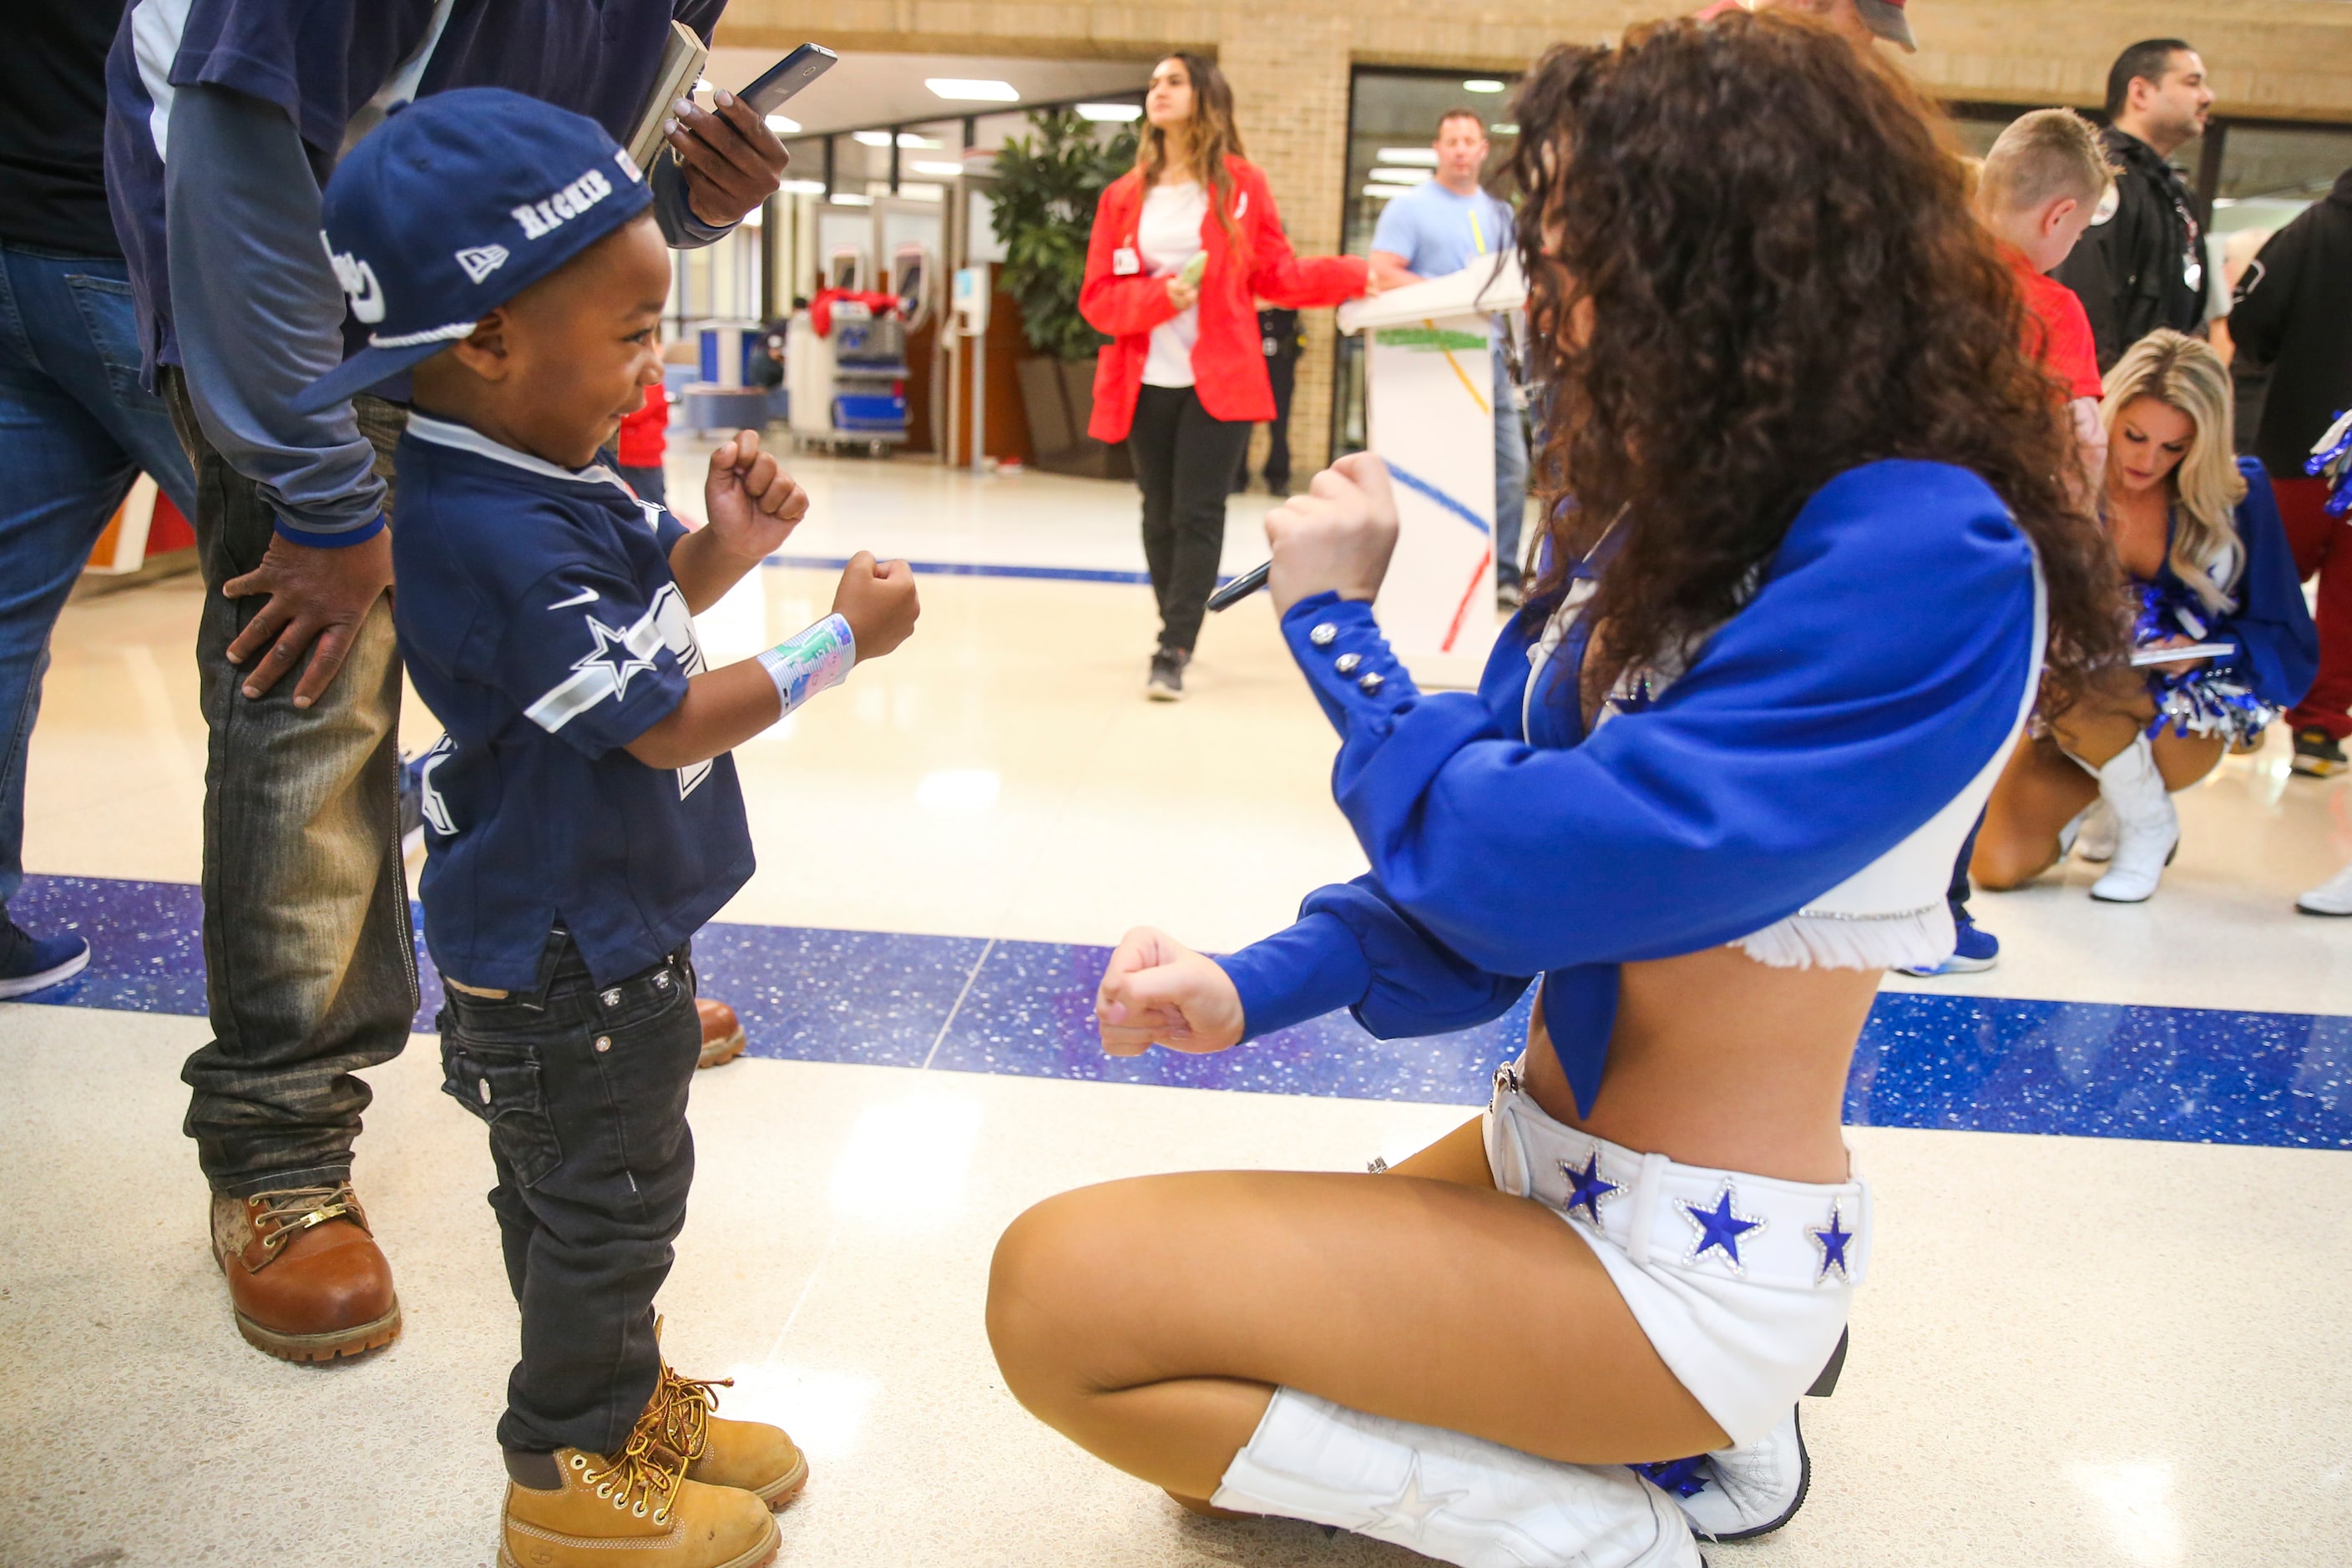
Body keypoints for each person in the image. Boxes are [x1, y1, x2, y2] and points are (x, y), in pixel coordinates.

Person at [984, 17, 2121, 1565]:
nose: (1551, 301)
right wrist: (1249, 985)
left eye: (1589, 249)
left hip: (1689, 1265)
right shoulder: (1684, 514)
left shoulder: (1932, 553)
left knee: (1063, 1296)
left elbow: (1551, 862)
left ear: (1741, 252)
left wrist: (1337, 634)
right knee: (1213, 1435)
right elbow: (1490, 855)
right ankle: (1643, 1459)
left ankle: (1612, 1527)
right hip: (1540, 1156)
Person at [104, 0, 788, 1364]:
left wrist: (683, 201)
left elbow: (562, 174)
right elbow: (240, 148)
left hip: (488, 323)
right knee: (315, 705)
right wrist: (320, 491)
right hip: (304, 289)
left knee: (546, 670)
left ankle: (565, 989)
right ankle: (280, 1146)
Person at [303, 90, 919, 1566]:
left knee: (596, 1200)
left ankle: (626, 1406)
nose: (657, 365)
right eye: (635, 336)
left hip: (596, 925)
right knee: (607, 1214)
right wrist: (836, 641)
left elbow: (639, 627)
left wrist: (729, 549)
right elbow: (660, 719)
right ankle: (566, 1473)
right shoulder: (488, 530)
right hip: (566, 955)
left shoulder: (540, 465)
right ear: (489, 339)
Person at [0, 0, 199, 999]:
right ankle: (301, 995)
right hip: (129, 255)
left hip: (11, 261)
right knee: (310, 586)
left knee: (0, 618)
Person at [1973, 331, 2315, 904]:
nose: (2146, 460)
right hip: (2071, 711)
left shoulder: (2236, 491)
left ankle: (2146, 825)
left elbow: (2283, 631)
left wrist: (2201, 649)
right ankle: (2120, 797)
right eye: (2134, 436)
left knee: (2090, 679)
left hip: (2177, 715)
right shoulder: (2067, 476)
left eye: (2173, 448)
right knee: (1997, 865)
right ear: (2112, 411)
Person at [1080, 52, 1373, 702]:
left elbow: (1279, 276)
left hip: (1220, 377)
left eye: (1173, 81)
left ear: (1203, 97)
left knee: (1197, 510)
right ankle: (1174, 622)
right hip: (1144, 377)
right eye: (1152, 81)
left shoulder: (1241, 185)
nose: (1158, 90)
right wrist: (1160, 300)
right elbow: (1097, 298)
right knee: (1156, 513)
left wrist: (1359, 274)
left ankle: (1174, 645)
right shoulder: (1122, 197)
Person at [1898, 109, 2116, 981]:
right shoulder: (2050, 309)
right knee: (1968, 738)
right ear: (2061, 215)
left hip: (1875, 543)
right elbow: (2085, 443)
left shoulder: (1908, 277)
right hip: (1988, 560)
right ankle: (1931, 921)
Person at [1368, 109, 1530, 606]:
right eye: (1451, 141)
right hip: (1431, 362)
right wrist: (1456, 296)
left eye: (1469, 141)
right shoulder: (1409, 209)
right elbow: (1382, 270)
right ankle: (1419, 571)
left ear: (1484, 150)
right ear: (1437, 149)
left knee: (1512, 469)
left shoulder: (1500, 215)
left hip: (1491, 366)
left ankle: (1501, 572)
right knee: (1433, 469)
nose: (1460, 149)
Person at [2228, 165, 2352, 778]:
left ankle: (2237, 701)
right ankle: (2319, 734)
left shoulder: (2306, 232)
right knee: (2347, 605)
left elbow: (2251, 323)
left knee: (2264, 584)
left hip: (2297, 443)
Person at [2051, 39, 2215, 371]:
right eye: (2192, 82)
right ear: (2140, 93)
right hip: (2111, 391)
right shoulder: (2100, 174)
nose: (2207, 97)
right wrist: (2103, 395)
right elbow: (2087, 294)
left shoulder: (2174, 192)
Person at [617, 383, 671, 508]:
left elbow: (635, 412)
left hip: (642, 459)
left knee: (651, 505)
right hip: (624, 456)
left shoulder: (647, 381)